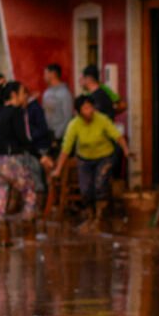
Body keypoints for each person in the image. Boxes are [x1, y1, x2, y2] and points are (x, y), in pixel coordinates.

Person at [54, 94, 128, 222]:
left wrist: (126, 150)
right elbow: (66, 148)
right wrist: (58, 169)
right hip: (84, 159)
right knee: (85, 189)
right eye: (85, 108)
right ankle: (90, 215)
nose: (89, 111)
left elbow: (117, 136)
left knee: (100, 185)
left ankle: (100, 217)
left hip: (105, 157)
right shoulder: (74, 125)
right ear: (79, 112)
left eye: (90, 107)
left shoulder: (102, 119)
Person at [0, 79, 46, 221]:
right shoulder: (17, 113)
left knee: (1, 195)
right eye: (23, 93)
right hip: (12, 162)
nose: (26, 96)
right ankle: (29, 227)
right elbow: (23, 139)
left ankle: (0, 226)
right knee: (29, 191)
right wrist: (40, 156)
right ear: (14, 95)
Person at [39, 64, 74, 151]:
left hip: (60, 137)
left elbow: (68, 117)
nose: (44, 77)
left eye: (45, 73)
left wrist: (57, 136)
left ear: (53, 74)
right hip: (48, 135)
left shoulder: (65, 93)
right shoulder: (47, 92)